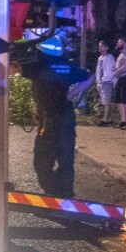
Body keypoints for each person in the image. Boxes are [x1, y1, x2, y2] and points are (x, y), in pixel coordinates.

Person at [18, 41, 77, 198]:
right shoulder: (63, 64)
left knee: (42, 161)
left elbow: (16, 68)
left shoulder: (39, 66)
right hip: (65, 116)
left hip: (50, 119)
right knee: (65, 160)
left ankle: (55, 193)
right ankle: (65, 194)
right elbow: (89, 76)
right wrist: (72, 94)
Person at [95, 39, 117, 126]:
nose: (100, 48)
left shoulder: (110, 58)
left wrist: (104, 79)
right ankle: (109, 119)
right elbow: (98, 70)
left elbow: (110, 70)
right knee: (105, 101)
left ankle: (105, 120)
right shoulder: (100, 58)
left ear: (106, 48)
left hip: (107, 82)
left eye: (102, 46)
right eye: (99, 46)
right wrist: (97, 80)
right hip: (101, 82)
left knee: (106, 101)